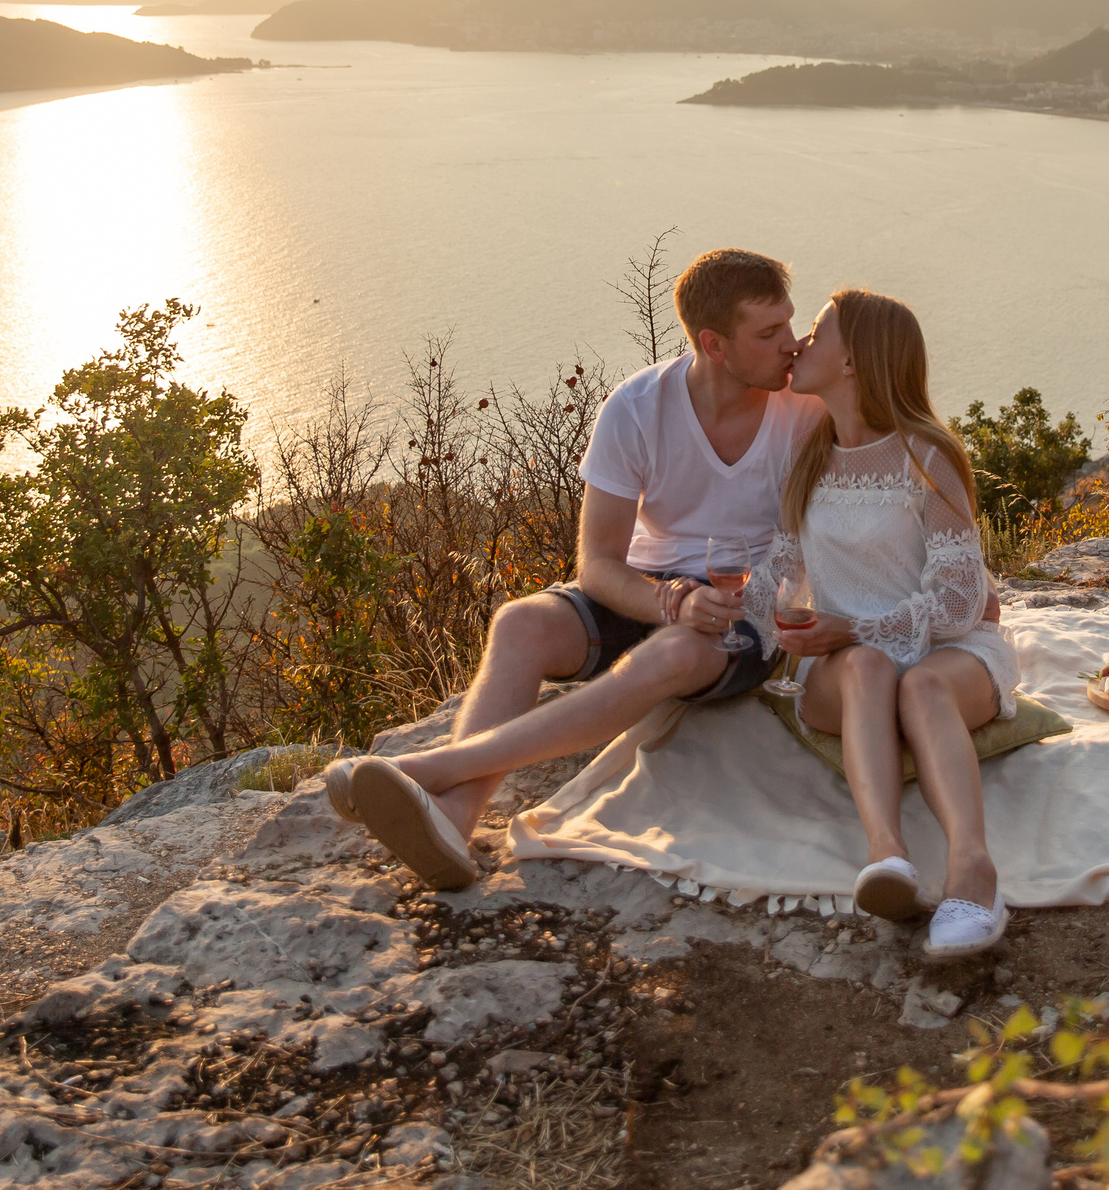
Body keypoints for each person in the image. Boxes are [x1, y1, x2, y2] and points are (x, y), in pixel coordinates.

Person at [333, 248, 823, 890]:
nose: (792, 344)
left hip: (742, 613)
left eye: (790, 323)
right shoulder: (638, 407)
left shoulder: (806, 411)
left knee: (671, 656)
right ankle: (454, 821)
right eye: (769, 332)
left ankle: (430, 771)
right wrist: (668, 601)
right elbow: (596, 565)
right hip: (653, 590)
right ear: (714, 343)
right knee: (519, 623)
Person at [749, 288, 1014, 960]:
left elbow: (959, 605)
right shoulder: (806, 460)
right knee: (869, 668)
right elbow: (776, 582)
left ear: (855, 360)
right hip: (849, 670)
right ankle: (887, 858)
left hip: (946, 654)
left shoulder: (927, 455)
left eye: (816, 330)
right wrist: (713, 607)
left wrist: (852, 626)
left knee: (920, 685)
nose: (801, 343)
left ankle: (972, 873)